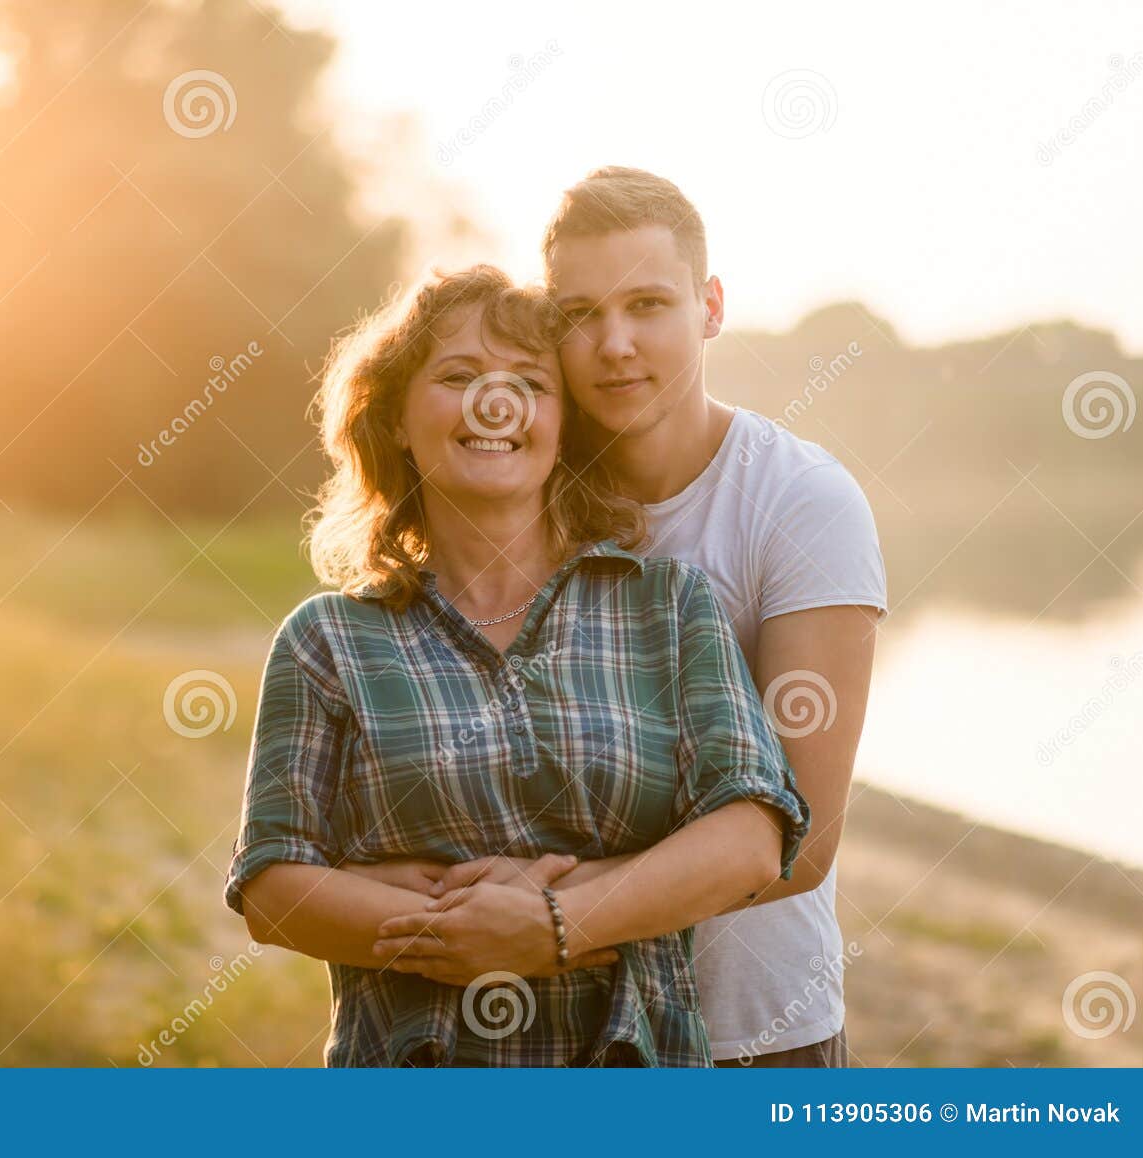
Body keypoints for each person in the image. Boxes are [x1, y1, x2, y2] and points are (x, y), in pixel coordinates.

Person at [223, 264, 809, 1066]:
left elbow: (750, 837)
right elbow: (272, 888)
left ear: (562, 424)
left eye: (529, 383)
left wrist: (556, 924)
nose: (492, 404)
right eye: (458, 376)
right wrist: (463, 938)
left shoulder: (667, 607)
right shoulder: (327, 640)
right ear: (395, 417)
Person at [525, 165, 887, 1065]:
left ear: (711, 306)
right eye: (579, 314)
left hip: (751, 1036)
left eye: (647, 304)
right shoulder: (520, 497)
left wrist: (549, 917)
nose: (614, 343)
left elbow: (801, 839)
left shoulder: (802, 502)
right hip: (552, 1032)